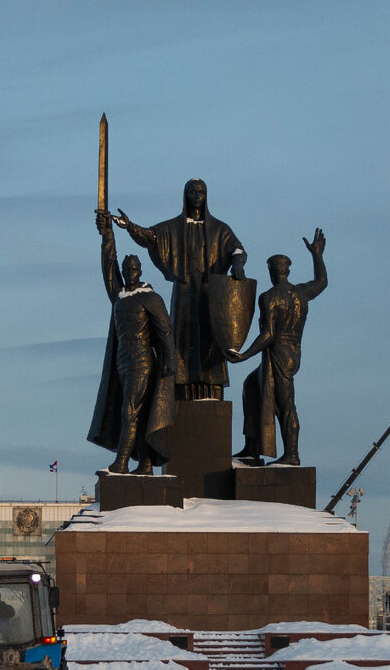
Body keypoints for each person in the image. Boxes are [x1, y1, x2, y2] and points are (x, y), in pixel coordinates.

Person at [111, 178, 247, 400]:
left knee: (210, 338)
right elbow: (150, 237)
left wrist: (238, 263)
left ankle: (211, 388)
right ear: (186, 195)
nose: (196, 194)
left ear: (206, 195)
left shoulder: (219, 229)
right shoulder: (174, 227)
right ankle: (182, 386)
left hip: (210, 294)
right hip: (184, 293)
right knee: (182, 337)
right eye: (192, 191)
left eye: (200, 191)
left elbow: (237, 249)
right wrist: (130, 226)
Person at [227, 229, 327, 465]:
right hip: (294, 352)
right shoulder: (301, 292)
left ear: (272, 272)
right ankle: (251, 447)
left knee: (285, 404)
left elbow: (269, 334)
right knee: (252, 385)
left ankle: (292, 454)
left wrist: (244, 355)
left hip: (279, 352)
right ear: (287, 271)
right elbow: (322, 282)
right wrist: (317, 255)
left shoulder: (269, 297)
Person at [88, 212, 175, 473]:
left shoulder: (151, 298)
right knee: (138, 412)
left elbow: (166, 332)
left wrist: (170, 363)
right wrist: (107, 235)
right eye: (126, 271)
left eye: (133, 270)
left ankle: (122, 462)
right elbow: (108, 264)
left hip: (142, 361)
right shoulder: (120, 296)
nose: (129, 273)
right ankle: (146, 463)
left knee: (130, 411)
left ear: (140, 271)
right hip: (122, 361)